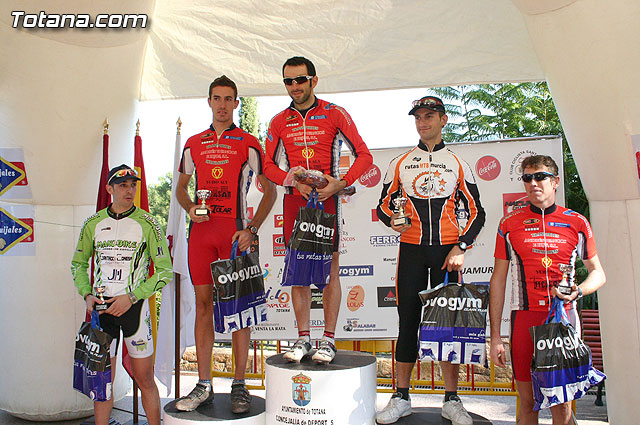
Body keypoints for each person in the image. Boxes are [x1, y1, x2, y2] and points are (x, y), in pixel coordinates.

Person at [376, 95, 485, 425]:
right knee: (408, 322)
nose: (422, 122)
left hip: (446, 254)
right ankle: (401, 397)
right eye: (418, 117)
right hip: (411, 250)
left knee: (447, 326)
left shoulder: (458, 163)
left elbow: (477, 212)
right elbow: (383, 205)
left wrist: (461, 246)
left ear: (443, 120)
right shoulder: (400, 162)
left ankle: (451, 399)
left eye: (429, 116)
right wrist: (392, 220)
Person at [175, 75, 276, 413]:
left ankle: (239, 384)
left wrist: (253, 229)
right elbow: (180, 188)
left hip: (235, 235)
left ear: (236, 103)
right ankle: (204, 384)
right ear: (209, 102)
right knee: (203, 306)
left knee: (240, 310)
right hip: (201, 235)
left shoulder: (248, 142)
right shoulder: (194, 143)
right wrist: (191, 207)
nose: (222, 104)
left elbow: (271, 191)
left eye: (228, 99)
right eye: (216, 98)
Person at [263, 56, 373, 364]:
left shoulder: (334, 113)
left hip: (327, 200)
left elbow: (364, 155)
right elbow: (267, 165)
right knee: (298, 273)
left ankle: (328, 339)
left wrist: (341, 183)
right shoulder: (279, 121)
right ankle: (303, 338)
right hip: (295, 201)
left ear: (313, 80)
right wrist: (290, 181)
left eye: (300, 79)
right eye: (288, 81)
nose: (294, 86)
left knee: (330, 270)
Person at [489, 154, 606, 425]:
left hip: (563, 321)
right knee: (528, 403)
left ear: (555, 181)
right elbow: (498, 280)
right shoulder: (509, 224)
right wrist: (495, 337)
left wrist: (578, 291)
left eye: (540, 176)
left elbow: (598, 273)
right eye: (527, 178)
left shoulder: (577, 222)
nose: (533, 183)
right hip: (524, 321)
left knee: (562, 407)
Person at [71, 164, 172, 425]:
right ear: (109, 189)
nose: (129, 191)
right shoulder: (93, 223)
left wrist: (133, 297)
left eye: (133, 185)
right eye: (122, 185)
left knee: (145, 379)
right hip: (103, 310)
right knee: (102, 383)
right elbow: (78, 264)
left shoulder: (149, 223)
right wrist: (87, 294)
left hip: (134, 309)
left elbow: (165, 271)